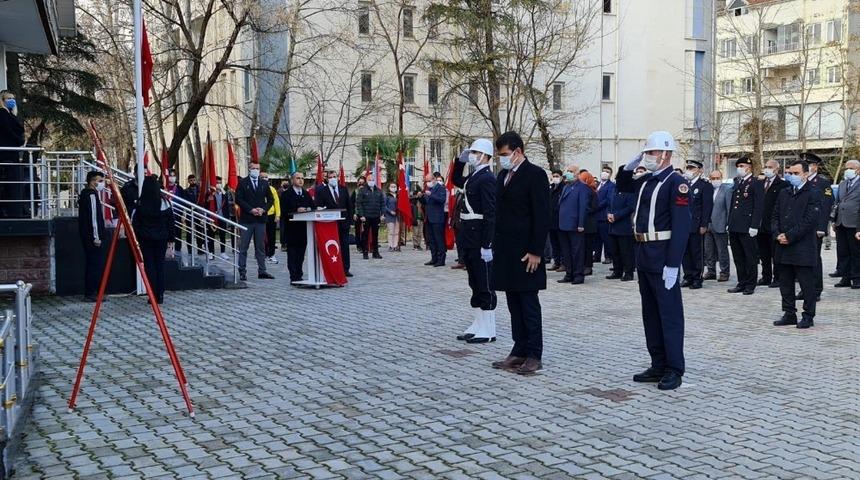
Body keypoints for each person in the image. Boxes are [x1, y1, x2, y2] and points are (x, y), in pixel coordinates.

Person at [622, 131, 690, 391]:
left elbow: (682, 226)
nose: (647, 157)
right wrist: (633, 161)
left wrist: (673, 264)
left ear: (665, 155)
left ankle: (674, 368)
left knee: (669, 314)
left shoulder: (677, 183)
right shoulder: (647, 181)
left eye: (651, 153)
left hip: (662, 254)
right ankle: (658, 363)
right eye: (646, 153)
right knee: (650, 313)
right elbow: (624, 183)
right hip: (643, 251)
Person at [489, 131, 549, 376]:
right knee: (513, 302)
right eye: (500, 155)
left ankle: (534, 353)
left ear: (518, 151)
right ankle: (519, 348)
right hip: (506, 251)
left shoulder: (535, 175)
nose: (502, 159)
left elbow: (542, 215)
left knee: (528, 302)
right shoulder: (503, 175)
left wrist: (536, 250)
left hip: (526, 251)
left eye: (505, 154)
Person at [452, 139, 498, 344]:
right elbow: (455, 180)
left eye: (476, 152)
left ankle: (489, 329)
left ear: (486, 156)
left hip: (479, 235)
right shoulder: (475, 175)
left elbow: (490, 213)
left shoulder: (488, 178)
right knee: (474, 281)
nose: (473, 156)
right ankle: (478, 323)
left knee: (484, 282)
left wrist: (487, 244)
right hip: (468, 235)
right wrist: (459, 162)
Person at [773, 160, 822, 329]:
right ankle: (789, 313)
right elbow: (775, 216)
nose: (792, 176)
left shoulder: (813, 193)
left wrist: (789, 236)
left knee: (806, 283)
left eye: (796, 173)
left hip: (802, 246)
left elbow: (810, 221)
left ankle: (808, 315)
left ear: (806, 174)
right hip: (782, 245)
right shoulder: (784, 192)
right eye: (790, 173)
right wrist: (777, 234)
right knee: (785, 282)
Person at [133, 175, 173, 304]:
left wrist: (139, 236)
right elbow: (171, 222)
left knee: (149, 266)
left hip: (146, 238)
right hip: (161, 238)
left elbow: (135, 223)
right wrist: (171, 238)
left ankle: (152, 294)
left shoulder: (140, 203)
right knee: (160, 265)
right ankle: (160, 294)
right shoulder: (165, 202)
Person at [727, 156, 764, 295]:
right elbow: (733, 205)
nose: (739, 168)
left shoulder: (756, 183)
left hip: (747, 226)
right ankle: (741, 282)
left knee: (750, 256)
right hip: (735, 225)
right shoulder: (738, 182)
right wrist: (729, 222)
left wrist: (754, 225)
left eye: (742, 166)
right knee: (738, 257)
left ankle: (750, 284)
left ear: (749, 167)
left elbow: (758, 206)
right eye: (738, 166)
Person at [799, 153, 833, 301]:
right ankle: (804, 289)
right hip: (801, 228)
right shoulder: (801, 182)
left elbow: (825, 207)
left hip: (814, 228)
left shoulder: (822, 183)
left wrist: (821, 227)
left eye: (809, 165)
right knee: (801, 259)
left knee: (814, 258)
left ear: (815, 166)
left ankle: (816, 289)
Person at [235, 162, 275, 281]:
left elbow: (271, 199)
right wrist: (250, 210)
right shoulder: (243, 182)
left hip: (260, 219)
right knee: (244, 247)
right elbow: (239, 199)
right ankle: (242, 271)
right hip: (247, 219)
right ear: (249, 169)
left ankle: (262, 271)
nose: (255, 170)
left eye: (257, 168)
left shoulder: (263, 183)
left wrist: (264, 209)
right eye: (253, 168)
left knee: (260, 246)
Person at [680, 160, 713, 289]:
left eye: (692, 168)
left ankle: (697, 278)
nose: (689, 170)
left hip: (696, 224)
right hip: (684, 224)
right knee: (685, 252)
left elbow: (707, 207)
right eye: (688, 168)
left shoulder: (705, 185)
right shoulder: (684, 185)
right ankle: (687, 276)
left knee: (696, 252)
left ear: (700, 170)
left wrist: (704, 224)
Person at [315, 170, 354, 277]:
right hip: (330, 224)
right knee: (333, 246)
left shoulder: (343, 189)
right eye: (330, 177)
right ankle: (333, 267)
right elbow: (318, 206)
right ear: (327, 179)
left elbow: (349, 206)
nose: (332, 178)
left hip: (344, 222)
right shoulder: (322, 191)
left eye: (334, 176)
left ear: (337, 177)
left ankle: (345, 269)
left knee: (344, 246)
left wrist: (351, 221)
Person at [556, 165, 590, 284]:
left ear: (577, 173)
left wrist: (581, 223)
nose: (568, 173)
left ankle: (578, 275)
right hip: (563, 224)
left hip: (575, 225)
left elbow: (582, 207)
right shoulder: (566, 186)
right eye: (568, 171)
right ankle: (569, 273)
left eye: (571, 171)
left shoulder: (582, 187)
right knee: (566, 251)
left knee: (577, 251)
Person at [758, 160, 788, 287]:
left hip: (774, 224)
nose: (767, 169)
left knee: (775, 254)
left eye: (770, 167)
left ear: (776, 169)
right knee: (763, 253)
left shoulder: (782, 184)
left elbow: (784, 205)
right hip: (760, 224)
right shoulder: (760, 183)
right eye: (766, 167)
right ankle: (766, 276)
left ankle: (778, 278)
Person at [78, 171, 107, 302]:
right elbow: (94, 218)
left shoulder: (87, 194)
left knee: (93, 264)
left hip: (87, 235)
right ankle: (92, 292)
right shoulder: (91, 196)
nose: (102, 184)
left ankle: (92, 291)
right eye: (99, 181)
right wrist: (96, 237)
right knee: (95, 265)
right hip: (92, 237)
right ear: (92, 181)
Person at [281, 172, 315, 283]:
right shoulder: (286, 194)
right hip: (291, 229)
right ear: (292, 180)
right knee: (292, 253)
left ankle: (299, 274)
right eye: (298, 178)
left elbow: (312, 207)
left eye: (302, 178)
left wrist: (310, 209)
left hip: (304, 228)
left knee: (301, 253)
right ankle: (293, 276)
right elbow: (284, 211)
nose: (300, 180)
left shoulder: (306, 194)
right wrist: (296, 210)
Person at [833, 159, 860, 289]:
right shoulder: (843, 184)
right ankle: (845, 277)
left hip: (855, 223)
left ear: (857, 170)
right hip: (841, 222)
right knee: (843, 251)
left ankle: (857, 278)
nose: (847, 171)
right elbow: (837, 202)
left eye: (850, 168)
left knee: (856, 252)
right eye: (846, 168)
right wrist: (834, 220)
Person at [704, 170, 733, 282]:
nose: (715, 180)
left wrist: (727, 223)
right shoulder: (708, 189)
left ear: (721, 177)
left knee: (722, 251)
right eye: (713, 178)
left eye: (718, 178)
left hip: (720, 224)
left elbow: (729, 208)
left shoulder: (727, 190)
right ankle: (711, 271)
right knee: (709, 250)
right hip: (708, 224)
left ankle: (724, 272)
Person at [0, 91, 25, 218]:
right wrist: (19, 141)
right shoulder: (2, 114)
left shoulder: (10, 114)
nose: (12, 101)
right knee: (7, 182)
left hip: (11, 152)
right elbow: (8, 131)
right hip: (6, 153)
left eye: (13, 98)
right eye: (8, 98)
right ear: (2, 100)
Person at [606, 176, 636, 281]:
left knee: (625, 251)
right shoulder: (614, 189)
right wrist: (608, 214)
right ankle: (617, 271)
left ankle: (628, 273)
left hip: (624, 225)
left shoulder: (630, 191)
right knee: (615, 250)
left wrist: (617, 216)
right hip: (612, 225)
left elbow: (630, 207)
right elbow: (608, 203)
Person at [420, 173, 447, 266]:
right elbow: (426, 203)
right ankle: (434, 258)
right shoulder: (428, 189)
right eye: (426, 181)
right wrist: (421, 197)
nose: (427, 183)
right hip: (428, 218)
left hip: (437, 218)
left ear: (434, 179)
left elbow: (442, 200)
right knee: (431, 239)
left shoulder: (441, 188)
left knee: (439, 239)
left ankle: (441, 260)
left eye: (429, 181)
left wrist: (431, 194)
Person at [356, 175, 385, 259]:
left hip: (376, 216)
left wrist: (382, 214)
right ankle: (365, 252)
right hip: (366, 217)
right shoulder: (362, 190)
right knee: (365, 235)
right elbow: (359, 204)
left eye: (373, 179)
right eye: (370, 180)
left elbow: (382, 203)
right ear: (367, 181)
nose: (371, 181)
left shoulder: (379, 191)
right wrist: (361, 215)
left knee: (375, 235)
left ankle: (375, 253)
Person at [594, 166, 616, 265]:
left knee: (606, 237)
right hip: (596, 215)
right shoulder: (598, 185)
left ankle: (608, 256)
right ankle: (597, 255)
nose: (605, 173)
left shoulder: (611, 185)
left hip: (603, 214)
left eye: (607, 172)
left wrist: (596, 206)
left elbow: (608, 200)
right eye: (604, 171)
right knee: (597, 237)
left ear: (610, 174)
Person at [260, 172, 281, 264]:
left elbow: (276, 202)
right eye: (262, 177)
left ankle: (271, 254)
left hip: (271, 214)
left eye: (266, 177)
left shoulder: (272, 189)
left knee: (271, 235)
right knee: (261, 235)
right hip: (260, 214)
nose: (265, 179)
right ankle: (262, 253)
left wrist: (277, 215)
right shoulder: (256, 188)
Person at [547, 170, 564, 271]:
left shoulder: (563, 187)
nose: (555, 178)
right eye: (553, 176)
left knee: (561, 243)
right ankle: (556, 262)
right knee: (554, 243)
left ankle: (563, 262)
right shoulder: (551, 187)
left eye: (557, 176)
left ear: (561, 177)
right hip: (551, 220)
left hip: (560, 219)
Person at [182, 174, 200, 254]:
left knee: (199, 231)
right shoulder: (186, 191)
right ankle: (189, 249)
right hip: (190, 212)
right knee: (189, 231)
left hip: (199, 213)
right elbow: (185, 202)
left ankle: (200, 248)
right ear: (189, 181)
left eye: (194, 180)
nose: (193, 182)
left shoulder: (200, 190)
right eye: (191, 180)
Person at [384, 183, 400, 251]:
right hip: (390, 216)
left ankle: (395, 245)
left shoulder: (398, 196)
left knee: (396, 231)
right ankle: (390, 246)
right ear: (389, 187)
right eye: (392, 186)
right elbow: (384, 206)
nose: (393, 188)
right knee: (391, 231)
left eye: (395, 186)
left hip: (398, 216)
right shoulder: (387, 196)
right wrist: (390, 211)